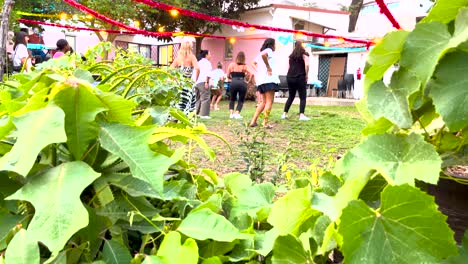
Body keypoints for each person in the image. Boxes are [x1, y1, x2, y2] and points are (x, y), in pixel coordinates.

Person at [249, 38, 279, 128]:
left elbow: (252, 62)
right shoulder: (268, 50)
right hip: (269, 79)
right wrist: (268, 67)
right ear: (272, 44)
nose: (275, 46)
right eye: (275, 44)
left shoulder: (261, 53)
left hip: (262, 80)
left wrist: (259, 71)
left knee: (263, 102)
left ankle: (253, 121)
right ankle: (265, 123)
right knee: (269, 101)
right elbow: (264, 55)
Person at [282, 40, 310, 121]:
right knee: (303, 97)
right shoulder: (305, 54)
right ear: (302, 45)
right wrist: (306, 75)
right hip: (300, 77)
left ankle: (284, 113)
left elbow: (288, 67)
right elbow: (307, 65)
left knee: (291, 96)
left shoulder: (291, 56)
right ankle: (302, 115)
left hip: (290, 77)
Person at [170, 40, 200, 116]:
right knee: (188, 101)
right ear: (190, 47)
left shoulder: (178, 58)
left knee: (179, 101)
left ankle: (177, 116)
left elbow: (170, 69)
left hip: (179, 83)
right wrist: (195, 80)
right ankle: (187, 116)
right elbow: (197, 68)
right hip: (188, 83)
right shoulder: (192, 57)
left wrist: (174, 78)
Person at [226, 51, 252, 119]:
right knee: (241, 99)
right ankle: (237, 113)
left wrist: (231, 79)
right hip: (242, 83)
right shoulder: (245, 66)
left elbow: (227, 75)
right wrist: (248, 81)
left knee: (232, 99)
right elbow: (251, 74)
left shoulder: (231, 65)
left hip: (233, 82)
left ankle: (231, 114)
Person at [195, 50, 212, 119]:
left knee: (197, 98)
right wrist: (207, 82)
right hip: (203, 81)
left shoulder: (198, 62)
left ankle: (195, 113)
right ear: (206, 55)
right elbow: (208, 73)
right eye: (210, 54)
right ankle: (204, 114)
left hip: (196, 82)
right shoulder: (207, 63)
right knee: (205, 98)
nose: (211, 56)